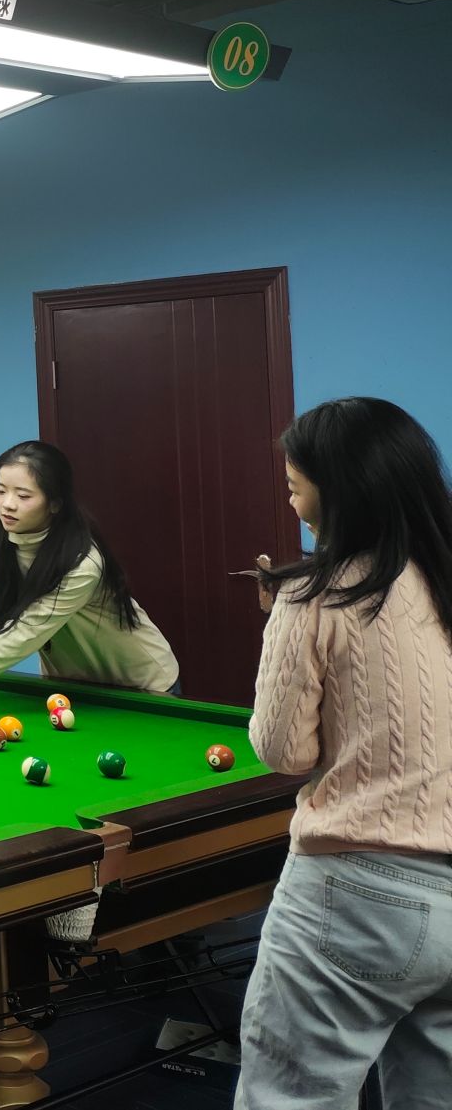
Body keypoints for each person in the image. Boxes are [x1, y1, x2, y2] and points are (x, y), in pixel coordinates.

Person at [234, 398, 452, 1109]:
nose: (292, 503)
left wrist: (283, 629)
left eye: (296, 487)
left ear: (342, 493)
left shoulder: (312, 595)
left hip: (355, 892)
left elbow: (283, 751)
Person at [0, 440, 177, 716]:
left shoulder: (81, 562)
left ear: (55, 503)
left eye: (23, 496)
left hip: (139, 686)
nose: (7, 504)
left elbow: (21, 635)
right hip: (70, 685)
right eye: (1, 491)